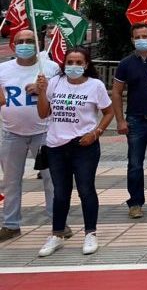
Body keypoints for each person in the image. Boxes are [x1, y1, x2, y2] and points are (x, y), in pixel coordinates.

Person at [35, 47, 113, 257]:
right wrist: (42, 91)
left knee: (86, 189)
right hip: (55, 146)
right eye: (70, 62)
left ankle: (90, 233)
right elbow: (43, 113)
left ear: (86, 65)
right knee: (60, 192)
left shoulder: (95, 85)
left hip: (83, 145)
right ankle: (57, 234)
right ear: (64, 64)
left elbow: (108, 112)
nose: (74, 66)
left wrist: (96, 133)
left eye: (79, 63)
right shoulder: (55, 83)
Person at [0, 29, 62, 242]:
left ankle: (58, 223)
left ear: (37, 44)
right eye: (20, 41)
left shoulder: (50, 68)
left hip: (44, 133)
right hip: (11, 133)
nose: (25, 44)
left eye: (29, 41)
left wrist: (42, 89)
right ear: (12, 44)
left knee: (52, 180)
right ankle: (10, 224)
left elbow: (61, 96)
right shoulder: (3, 69)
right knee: (10, 182)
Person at [111, 23, 147, 219]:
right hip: (135, 120)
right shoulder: (126, 63)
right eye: (137, 37)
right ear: (132, 40)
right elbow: (116, 93)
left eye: (145, 35)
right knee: (135, 164)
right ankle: (135, 203)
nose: (141, 39)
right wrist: (120, 120)